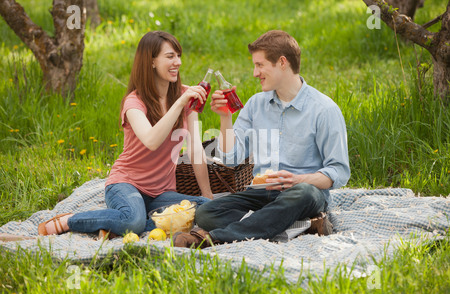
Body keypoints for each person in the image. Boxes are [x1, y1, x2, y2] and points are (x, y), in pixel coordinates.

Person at [173, 30, 350, 248]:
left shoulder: (324, 110)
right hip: (261, 193)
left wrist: (297, 180)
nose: (255, 73)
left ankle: (215, 238)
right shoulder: (256, 104)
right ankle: (301, 225)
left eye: (260, 65)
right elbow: (231, 159)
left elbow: (339, 172)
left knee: (302, 194)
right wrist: (226, 117)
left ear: (282, 62)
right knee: (206, 212)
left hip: (304, 194)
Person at [38, 31, 213, 238]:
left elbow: (194, 149)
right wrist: (180, 104)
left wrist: (207, 195)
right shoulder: (134, 102)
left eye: (178, 55)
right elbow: (151, 140)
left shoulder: (185, 97)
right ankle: (70, 220)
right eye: (170, 56)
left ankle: (114, 225)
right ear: (152, 62)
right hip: (126, 184)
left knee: (206, 209)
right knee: (133, 220)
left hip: (161, 193)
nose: (178, 62)